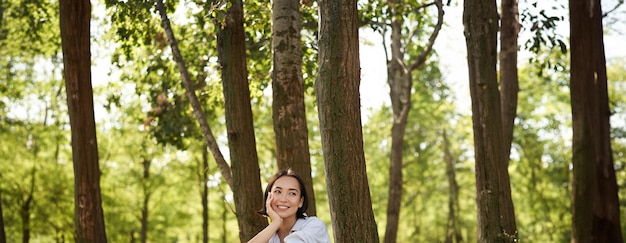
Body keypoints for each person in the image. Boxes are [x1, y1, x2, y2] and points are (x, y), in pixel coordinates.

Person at [248, 169, 331, 243]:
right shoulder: (270, 236)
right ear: (268, 197)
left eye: (292, 193)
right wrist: (275, 222)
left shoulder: (315, 226)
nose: (283, 199)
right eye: (278, 191)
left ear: (300, 201)